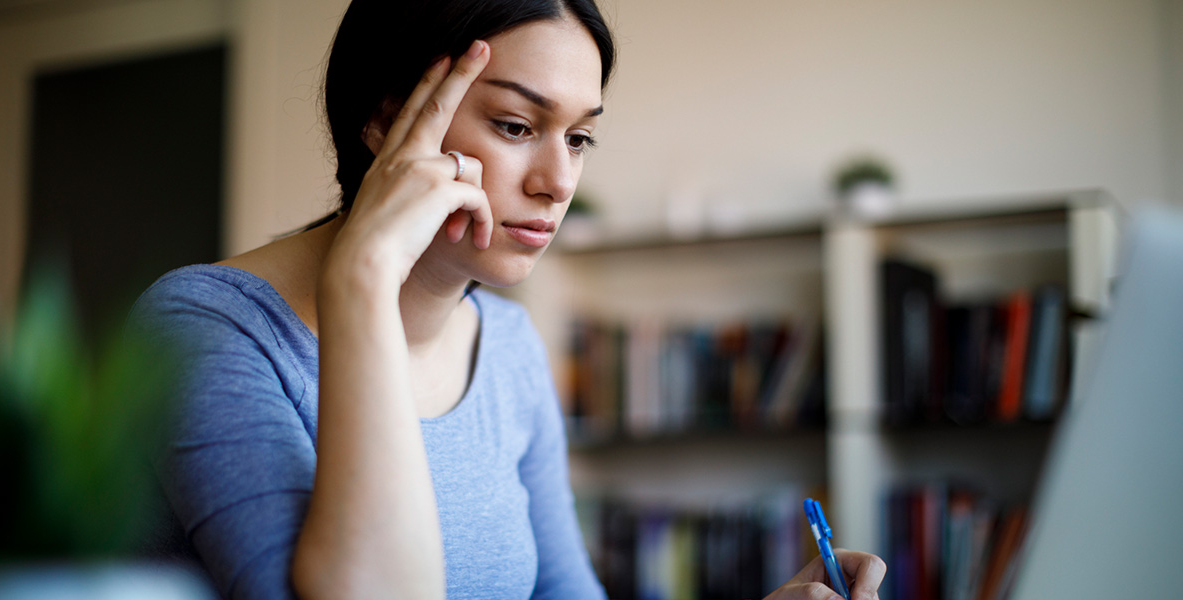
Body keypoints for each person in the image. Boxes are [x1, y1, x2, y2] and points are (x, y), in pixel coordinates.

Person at [129, 1, 886, 598]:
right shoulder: (206, 330)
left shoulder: (509, 347)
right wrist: (362, 279)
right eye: (517, 125)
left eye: (580, 139)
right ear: (386, 119)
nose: (558, 182)